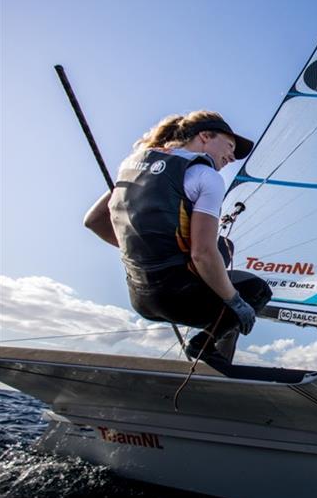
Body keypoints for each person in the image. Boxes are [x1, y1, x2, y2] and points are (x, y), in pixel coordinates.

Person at [84, 110, 271, 365]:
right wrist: (236, 303)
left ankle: (211, 349)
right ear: (205, 136)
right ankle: (206, 347)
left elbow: (94, 221)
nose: (231, 157)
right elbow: (202, 254)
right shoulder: (206, 176)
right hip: (179, 298)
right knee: (255, 290)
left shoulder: (132, 164)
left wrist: (147, 249)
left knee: (223, 246)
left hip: (140, 298)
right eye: (229, 147)